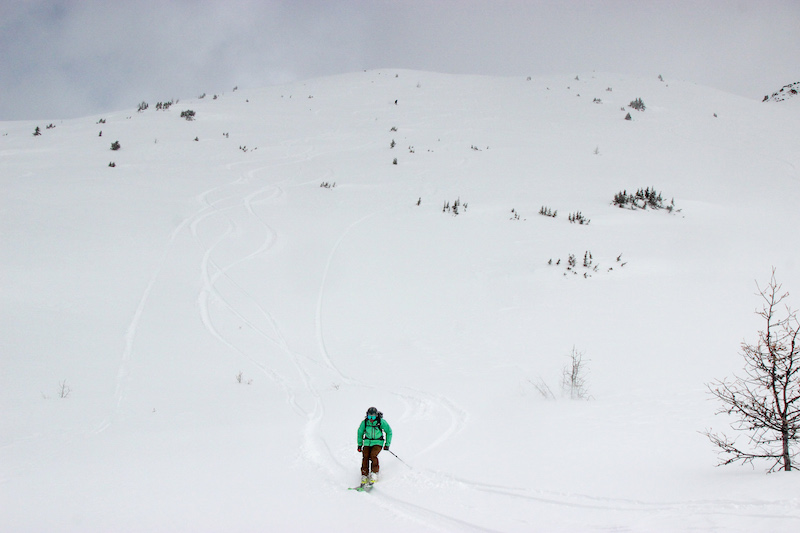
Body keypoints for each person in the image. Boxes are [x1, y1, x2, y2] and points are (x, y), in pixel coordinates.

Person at [357, 407, 392, 484]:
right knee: (365, 455)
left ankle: (374, 473)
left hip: (378, 442)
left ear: (376, 416)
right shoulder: (365, 422)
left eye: (373, 417)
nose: (371, 419)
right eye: (369, 417)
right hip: (367, 442)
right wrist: (359, 445)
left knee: (373, 455)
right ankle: (364, 475)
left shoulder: (381, 422)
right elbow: (360, 433)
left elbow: (389, 431)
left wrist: (387, 444)